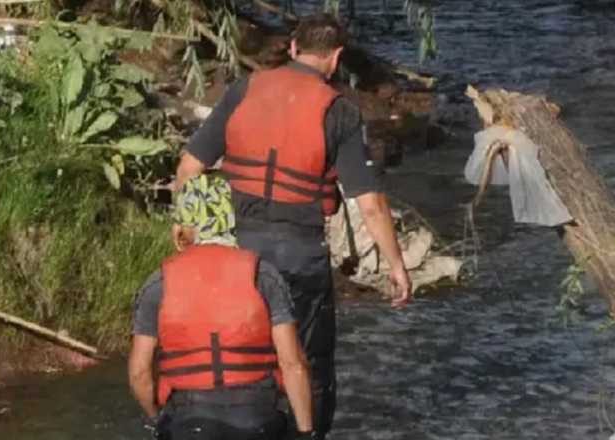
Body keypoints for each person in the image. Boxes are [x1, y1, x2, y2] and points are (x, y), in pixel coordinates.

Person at [171, 13, 413, 439]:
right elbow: (370, 204)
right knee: (309, 367)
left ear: (295, 49)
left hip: (236, 256)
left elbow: (189, 168)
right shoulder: (339, 111)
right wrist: (396, 266)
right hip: (298, 259)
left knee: (239, 359)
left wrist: (190, 228)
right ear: (336, 58)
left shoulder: (244, 89)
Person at [128, 174, 318, 439]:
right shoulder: (264, 275)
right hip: (258, 420)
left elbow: (139, 373)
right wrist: (305, 432)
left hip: (188, 423)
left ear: (183, 229)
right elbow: (293, 364)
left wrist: (155, 420)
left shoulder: (158, 284)